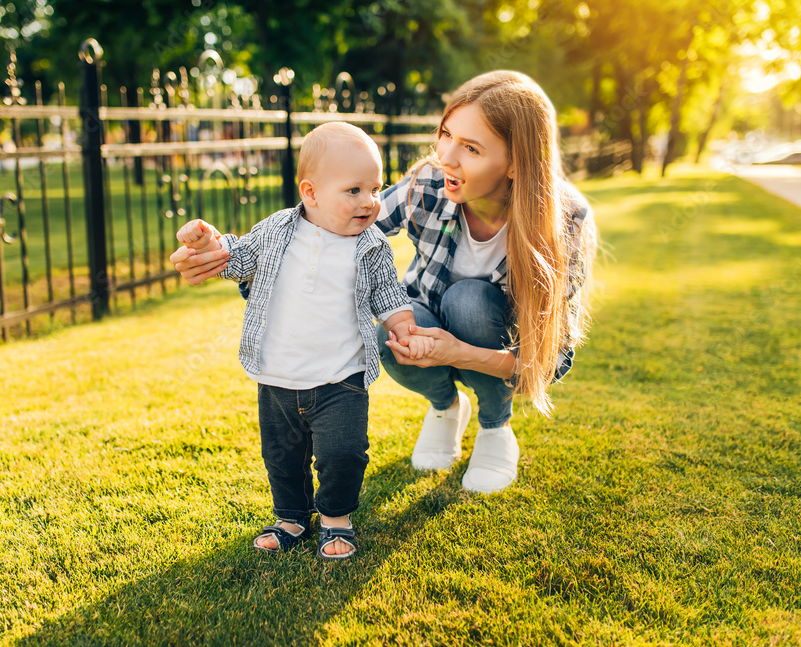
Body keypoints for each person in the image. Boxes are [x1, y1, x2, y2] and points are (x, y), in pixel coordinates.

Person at [172, 71, 597, 496]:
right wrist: (230, 256)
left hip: (490, 340)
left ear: (516, 161)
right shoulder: (428, 182)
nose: (446, 157)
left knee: (470, 300)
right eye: (446, 134)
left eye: (470, 148)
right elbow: (331, 218)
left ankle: (493, 426)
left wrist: (459, 353)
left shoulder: (564, 221)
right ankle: (447, 407)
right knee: (384, 333)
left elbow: (548, 360)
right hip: (428, 317)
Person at [170, 121, 435, 559]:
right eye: (354, 190)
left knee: (345, 453)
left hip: (341, 378)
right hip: (278, 375)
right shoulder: (278, 229)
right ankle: (291, 516)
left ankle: (336, 520)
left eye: (375, 188)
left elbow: (389, 293)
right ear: (310, 193)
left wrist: (404, 327)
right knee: (282, 456)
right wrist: (208, 244)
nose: (370, 201)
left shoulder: (370, 245)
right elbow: (237, 256)